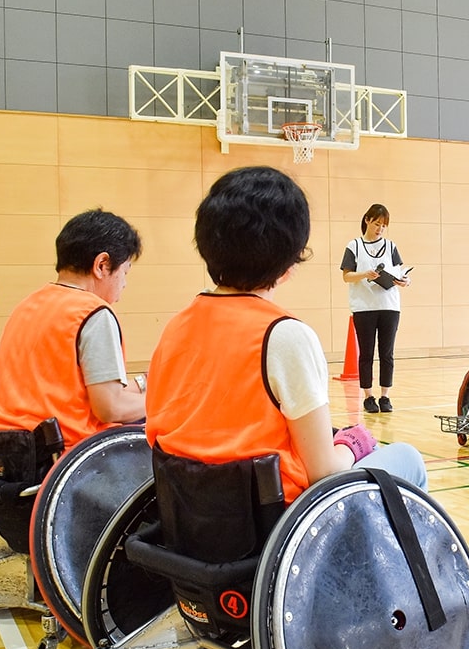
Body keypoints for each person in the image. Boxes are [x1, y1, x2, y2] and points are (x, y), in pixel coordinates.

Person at [146, 166, 428, 503]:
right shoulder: (284, 335)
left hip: (185, 510)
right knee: (406, 457)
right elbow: (324, 471)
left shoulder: (175, 326)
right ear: (290, 261)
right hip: (270, 519)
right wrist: (352, 446)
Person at [0, 209, 147, 449]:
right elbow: (110, 408)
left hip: (3, 448)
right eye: (125, 272)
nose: (124, 283)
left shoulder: (28, 305)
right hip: (61, 454)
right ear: (102, 264)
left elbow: (68, 391)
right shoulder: (94, 312)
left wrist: (143, 384)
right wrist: (164, 403)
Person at [340, 203, 409, 413]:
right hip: (364, 307)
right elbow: (346, 276)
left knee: (387, 353)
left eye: (383, 225)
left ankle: (385, 396)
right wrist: (364, 274)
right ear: (367, 220)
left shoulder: (390, 246)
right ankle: (368, 396)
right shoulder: (354, 246)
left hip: (389, 306)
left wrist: (404, 280)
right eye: (377, 223)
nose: (380, 228)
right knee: (367, 353)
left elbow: (401, 271)